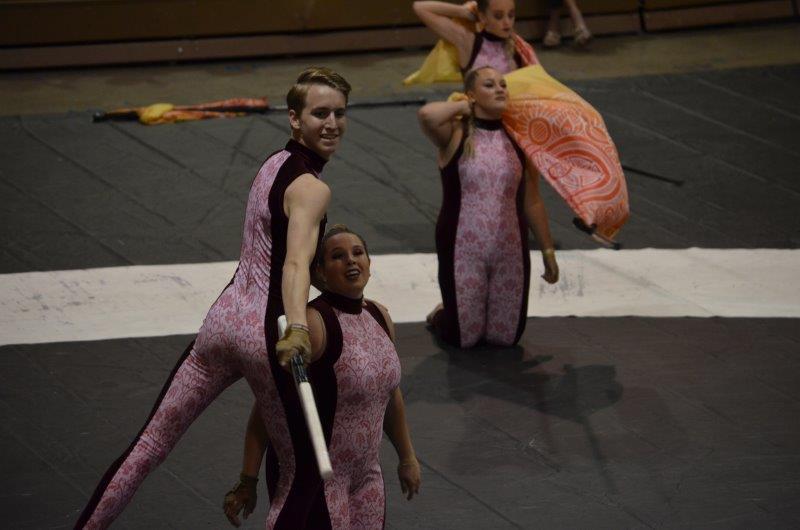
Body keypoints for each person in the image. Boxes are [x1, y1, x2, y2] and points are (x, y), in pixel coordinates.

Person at [74, 66, 351, 529]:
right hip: (265, 334)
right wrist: (299, 327)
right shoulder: (312, 189)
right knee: (300, 472)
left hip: (222, 322)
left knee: (149, 445)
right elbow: (295, 265)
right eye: (320, 113)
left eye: (340, 113)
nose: (332, 124)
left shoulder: (271, 165)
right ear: (294, 118)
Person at [222, 225, 421, 529]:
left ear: (369, 263)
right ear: (320, 273)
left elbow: (390, 394)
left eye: (358, 253)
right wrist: (247, 479)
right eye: (337, 256)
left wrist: (407, 457)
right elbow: (268, 405)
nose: (351, 260)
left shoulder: (379, 316)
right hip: (316, 480)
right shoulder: (313, 325)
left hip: (367, 476)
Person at [409, 0, 629, 245]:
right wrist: (464, 12)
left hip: (511, 124)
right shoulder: (468, 41)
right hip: (476, 124)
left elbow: (534, 91)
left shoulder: (518, 50)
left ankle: (592, 212)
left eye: (511, 15)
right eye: (498, 16)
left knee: (574, 136)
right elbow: (421, 7)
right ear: (483, 16)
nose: (507, 22)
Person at [419, 66, 559, 348]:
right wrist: (464, 106)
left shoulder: (519, 139)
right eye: (489, 85)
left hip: (510, 249)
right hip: (463, 248)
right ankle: (441, 313)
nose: (500, 89)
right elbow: (427, 115)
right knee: (464, 338)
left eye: (503, 85)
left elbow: (532, 199)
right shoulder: (456, 133)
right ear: (471, 94)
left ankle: (463, 309)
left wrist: (547, 250)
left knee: (505, 338)